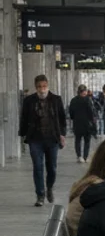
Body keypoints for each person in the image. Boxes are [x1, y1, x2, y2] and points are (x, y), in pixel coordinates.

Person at [18, 75, 68, 207]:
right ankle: (40, 195)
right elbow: (24, 118)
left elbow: (62, 119)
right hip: (35, 140)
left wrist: (62, 134)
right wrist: (22, 134)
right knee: (38, 167)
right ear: (36, 87)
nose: (42, 89)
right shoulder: (29, 101)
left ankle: (49, 188)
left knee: (52, 168)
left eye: (44, 86)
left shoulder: (56, 100)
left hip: (52, 139)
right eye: (39, 87)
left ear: (48, 85)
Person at [68, 84, 97, 163]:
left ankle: (79, 156)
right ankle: (85, 157)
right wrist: (92, 121)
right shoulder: (88, 100)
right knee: (87, 141)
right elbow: (91, 112)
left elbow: (71, 113)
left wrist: (74, 118)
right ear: (85, 91)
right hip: (87, 124)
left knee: (78, 140)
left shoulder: (73, 100)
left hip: (77, 123)